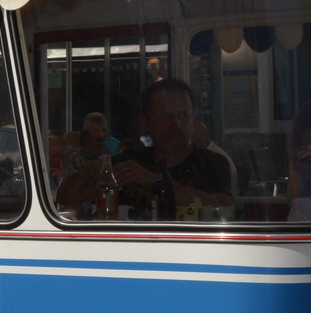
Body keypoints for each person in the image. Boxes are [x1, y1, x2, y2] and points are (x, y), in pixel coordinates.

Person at [60, 79, 232, 216]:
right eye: (166, 116)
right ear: (144, 122)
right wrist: (86, 174)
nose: (176, 124)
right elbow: (66, 198)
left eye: (183, 115)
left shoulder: (211, 162)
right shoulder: (129, 162)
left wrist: (154, 181)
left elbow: (223, 206)